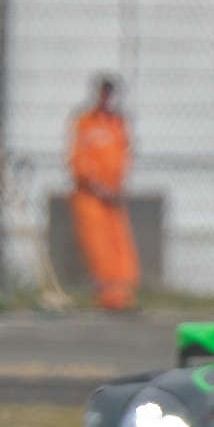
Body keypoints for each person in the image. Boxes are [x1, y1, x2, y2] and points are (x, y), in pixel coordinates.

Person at [68, 75, 140, 312]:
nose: (107, 98)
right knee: (99, 248)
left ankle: (122, 296)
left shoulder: (118, 124)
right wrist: (99, 187)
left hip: (113, 197)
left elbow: (124, 157)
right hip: (91, 197)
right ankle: (107, 298)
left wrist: (118, 188)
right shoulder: (85, 122)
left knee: (120, 246)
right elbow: (79, 161)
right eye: (104, 92)